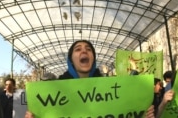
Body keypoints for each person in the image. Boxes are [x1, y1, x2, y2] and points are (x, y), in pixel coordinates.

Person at [25, 40, 155, 118]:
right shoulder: (54, 91)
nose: (84, 52)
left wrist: (143, 114)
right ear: (71, 60)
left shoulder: (111, 89)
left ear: (93, 58)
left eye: (88, 49)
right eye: (78, 49)